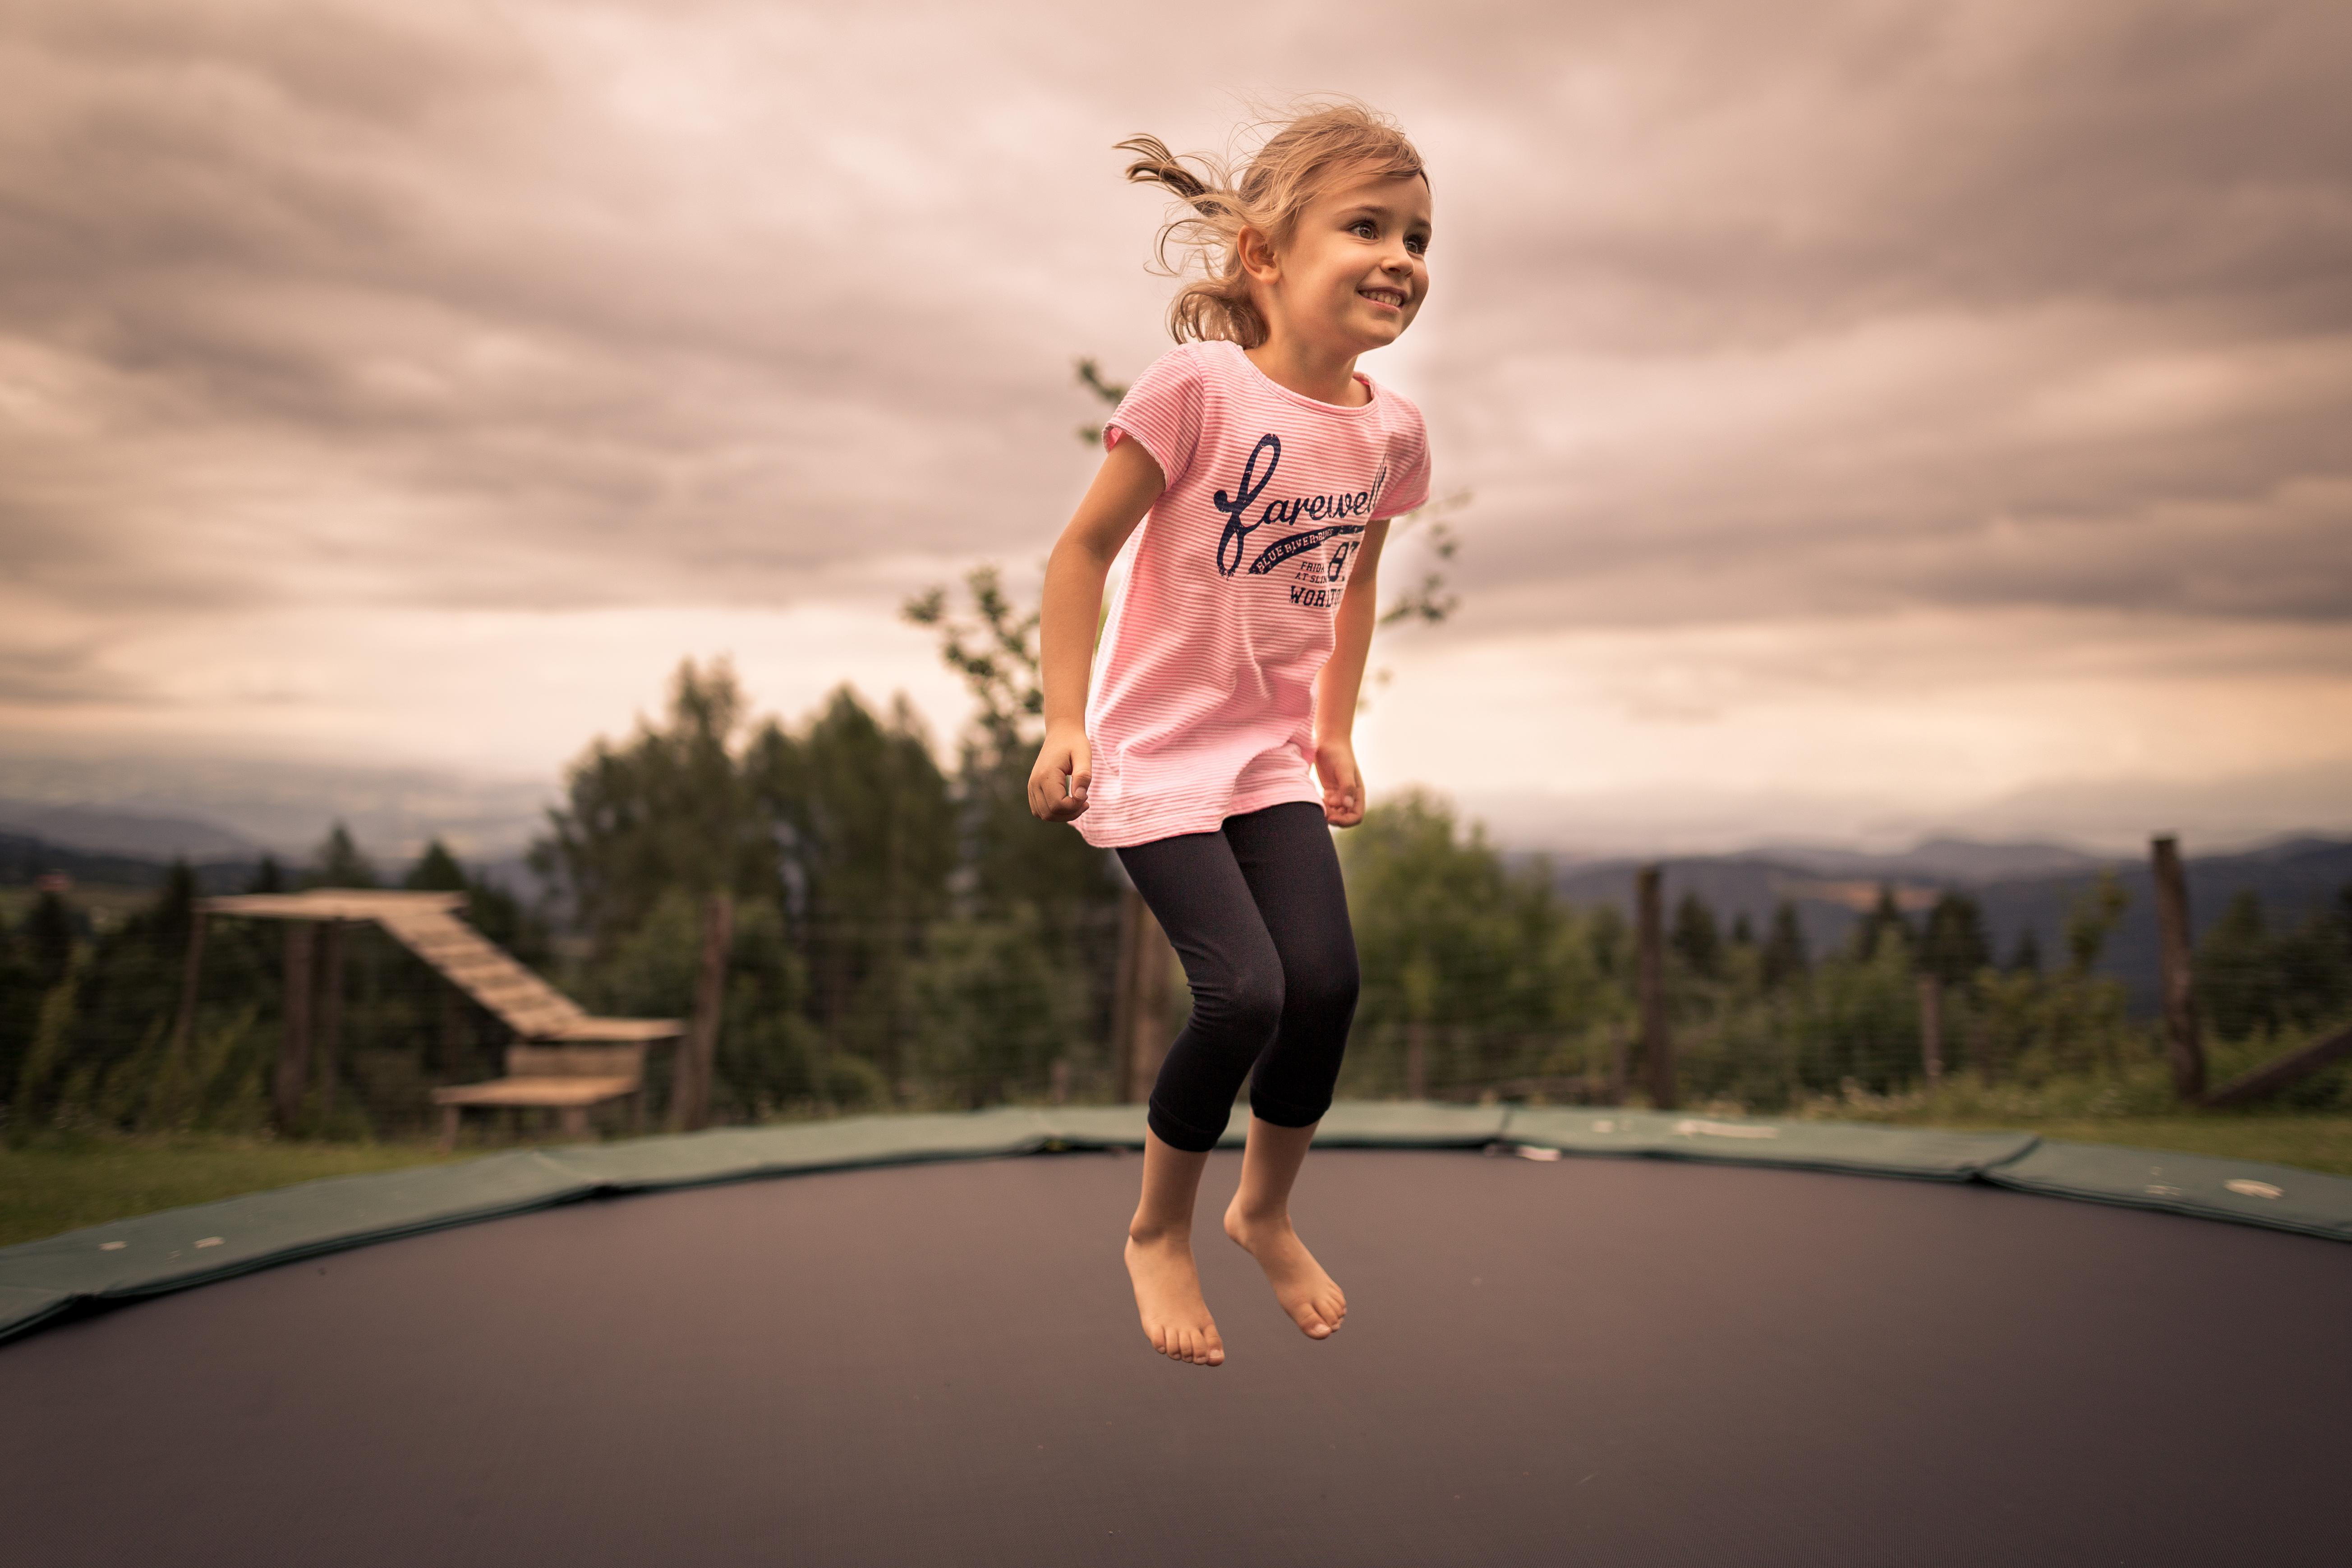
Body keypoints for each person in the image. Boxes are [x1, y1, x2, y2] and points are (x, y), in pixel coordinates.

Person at [1027, 103, 1433, 1367]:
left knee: (1324, 985)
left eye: (1420, 237)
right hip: (1153, 745)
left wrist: (1335, 728)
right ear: (1265, 254)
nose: (1403, 257)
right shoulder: (1197, 389)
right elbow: (1082, 550)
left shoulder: (1391, 430)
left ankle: (1263, 1209)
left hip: (1266, 754)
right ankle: (1160, 1228)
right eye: (1366, 226)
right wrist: (1061, 721)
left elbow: (1357, 582)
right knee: (1243, 991)